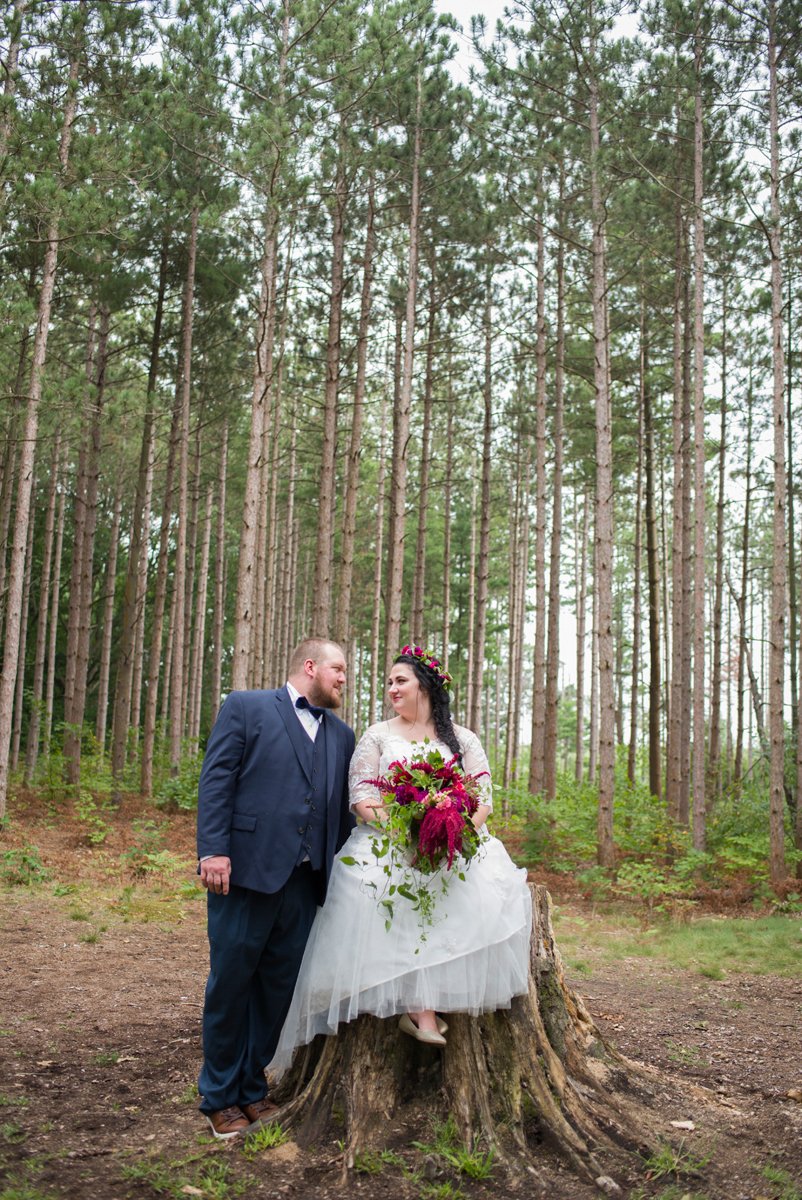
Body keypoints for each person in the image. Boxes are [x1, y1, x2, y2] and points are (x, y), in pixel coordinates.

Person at [268, 644, 532, 1076]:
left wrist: (454, 832)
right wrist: (407, 832)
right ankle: (416, 1009)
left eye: (400, 680)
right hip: (389, 843)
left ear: (424, 686)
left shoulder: (462, 739)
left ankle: (428, 1009)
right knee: (378, 891)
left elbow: (482, 798)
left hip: (453, 845)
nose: (391, 688)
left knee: (476, 892)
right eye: (389, 681)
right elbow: (362, 798)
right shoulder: (377, 735)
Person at [196, 637, 355, 1139]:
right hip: (244, 871)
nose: (344, 678)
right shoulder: (245, 707)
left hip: (305, 884)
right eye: (338, 669)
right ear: (310, 667)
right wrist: (213, 849)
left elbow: (339, 812)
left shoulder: (343, 735)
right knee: (232, 982)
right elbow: (217, 780)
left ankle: (250, 1086)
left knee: (276, 989)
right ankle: (219, 1096)